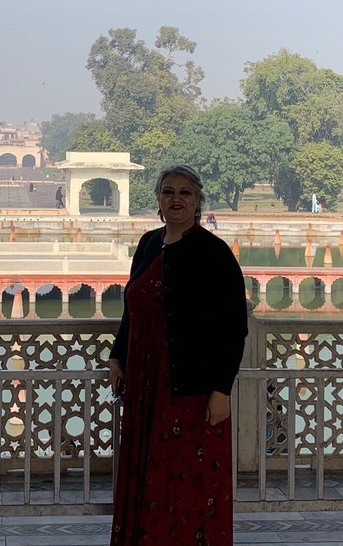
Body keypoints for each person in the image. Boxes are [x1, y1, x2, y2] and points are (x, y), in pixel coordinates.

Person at [108, 164, 247, 546]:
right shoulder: (149, 244)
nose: (176, 200)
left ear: (198, 201)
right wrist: (117, 356)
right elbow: (133, 307)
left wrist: (222, 389)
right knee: (146, 471)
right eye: (168, 192)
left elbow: (234, 327)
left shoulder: (213, 253)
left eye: (185, 193)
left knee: (186, 478)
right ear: (158, 200)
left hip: (190, 388)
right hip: (145, 384)